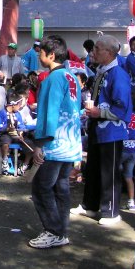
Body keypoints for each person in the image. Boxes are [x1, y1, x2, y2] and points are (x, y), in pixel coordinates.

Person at [71, 35, 132, 225]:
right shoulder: (101, 71)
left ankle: (111, 211)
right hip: (98, 128)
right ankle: (91, 205)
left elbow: (123, 107)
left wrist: (100, 112)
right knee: (94, 168)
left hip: (112, 131)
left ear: (109, 52)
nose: (93, 52)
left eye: (97, 48)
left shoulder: (118, 74)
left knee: (109, 171)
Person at [28, 35, 82, 249]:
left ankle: (53, 231)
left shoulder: (52, 78)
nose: (38, 55)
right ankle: (61, 230)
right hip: (70, 142)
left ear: (51, 55)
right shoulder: (71, 76)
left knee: (42, 188)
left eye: (41, 52)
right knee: (61, 188)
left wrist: (39, 144)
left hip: (54, 144)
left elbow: (49, 114)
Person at [0, 92, 34, 176]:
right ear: (13, 105)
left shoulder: (17, 114)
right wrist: (7, 128)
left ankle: (24, 165)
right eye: (19, 105)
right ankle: (5, 161)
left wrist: (21, 133)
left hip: (16, 135)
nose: (20, 107)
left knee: (31, 145)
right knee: (5, 142)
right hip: (5, 134)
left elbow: (21, 125)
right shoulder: (1, 113)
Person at [121, 101, 135, 211]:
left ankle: (111, 200)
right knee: (129, 177)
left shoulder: (124, 115)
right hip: (133, 150)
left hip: (123, 148)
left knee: (115, 173)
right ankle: (131, 202)